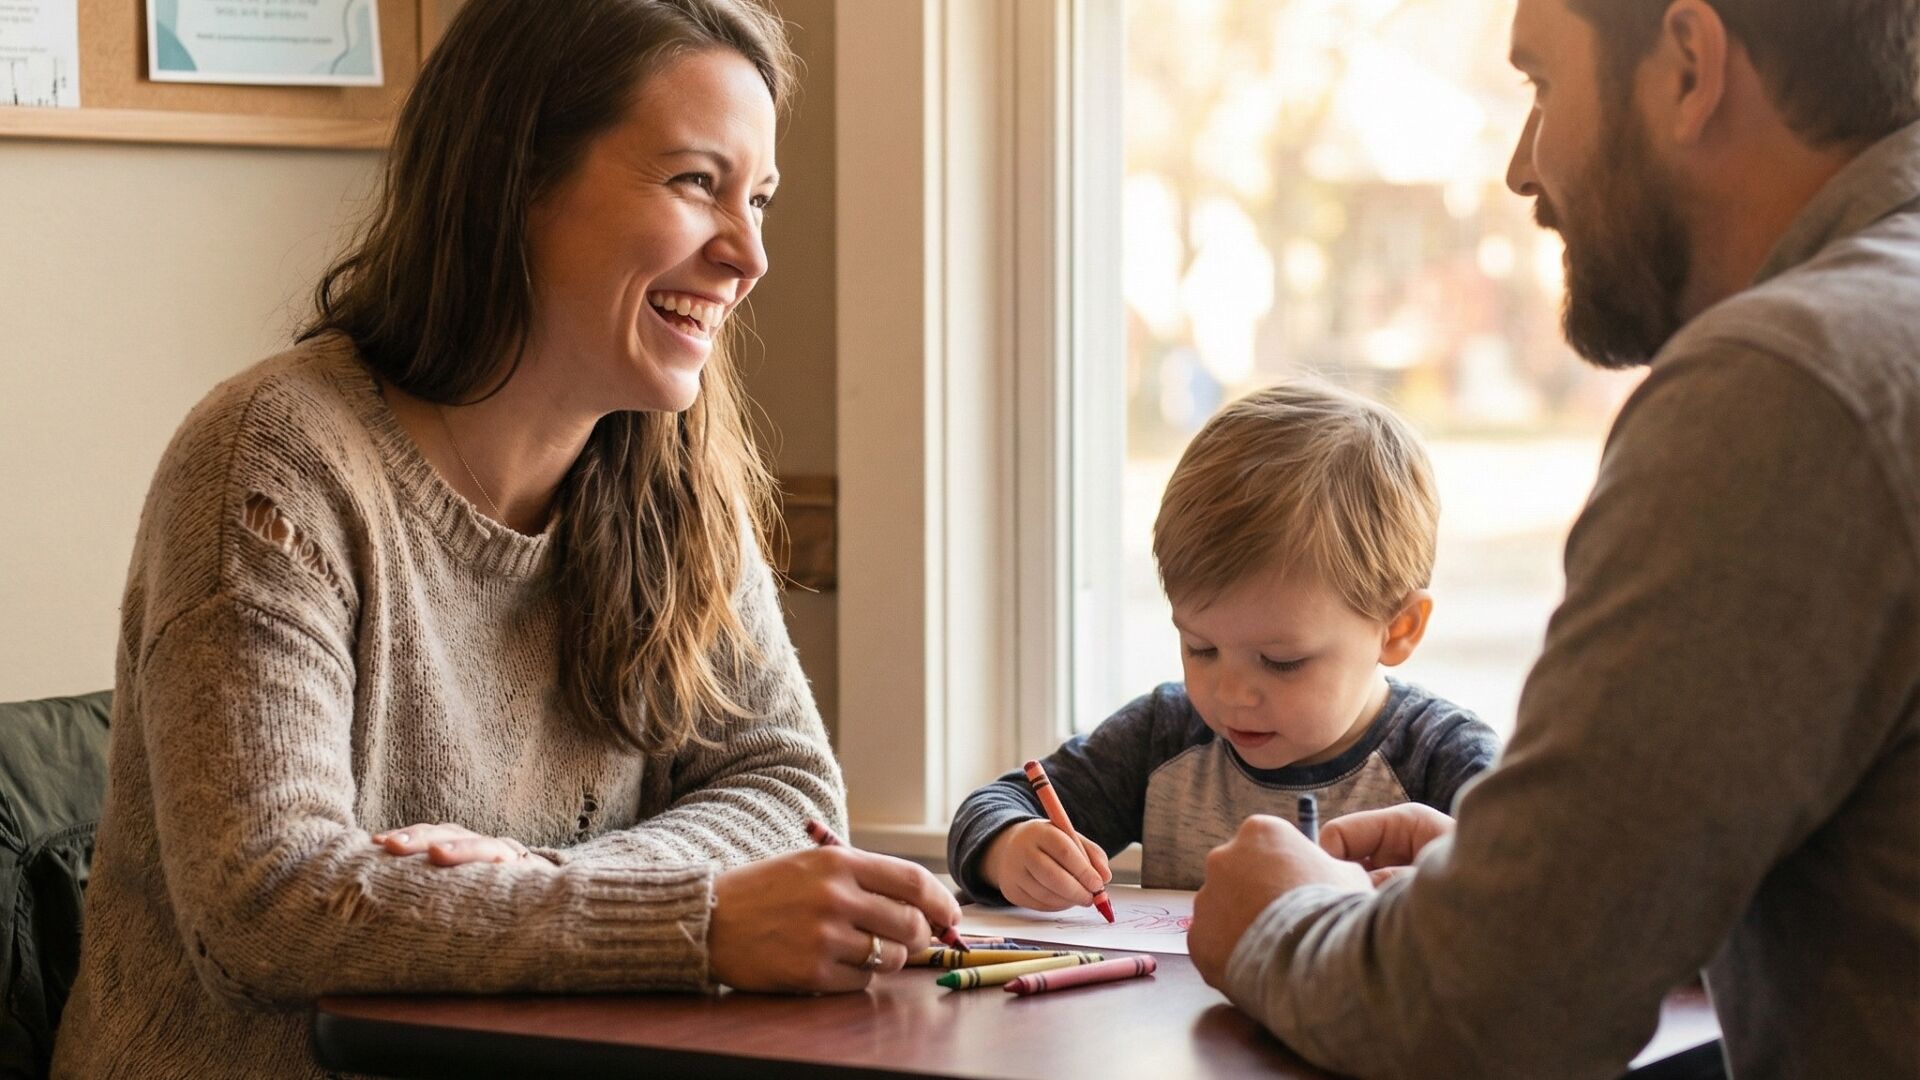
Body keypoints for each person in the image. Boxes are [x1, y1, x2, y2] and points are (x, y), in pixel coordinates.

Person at [52, 2, 961, 1077]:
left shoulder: (672, 476)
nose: (749, 254)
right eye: (694, 183)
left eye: (758, 197)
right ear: (515, 181)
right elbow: (269, 903)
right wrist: (693, 920)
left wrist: (537, 880)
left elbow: (789, 790)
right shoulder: (273, 462)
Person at [1186, 1, 1920, 1077]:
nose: (1524, 171)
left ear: (1686, 66)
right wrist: (1534, 888)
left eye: (1540, 85)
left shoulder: (1789, 385)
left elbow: (1485, 1017)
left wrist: (1277, 921)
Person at [947, 382, 1498, 909]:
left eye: (1281, 662)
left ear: (1398, 628)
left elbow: (1545, 895)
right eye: (1200, 648)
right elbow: (993, 806)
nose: (1230, 694)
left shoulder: (1443, 761)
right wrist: (1011, 849)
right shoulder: (1165, 735)